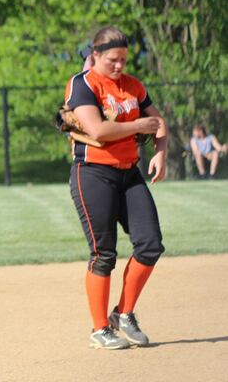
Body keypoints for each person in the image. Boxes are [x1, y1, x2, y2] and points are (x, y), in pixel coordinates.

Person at [64, 26, 168, 350]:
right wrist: (139, 126)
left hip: (129, 174)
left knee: (150, 244)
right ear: (95, 55)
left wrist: (161, 152)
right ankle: (99, 329)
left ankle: (123, 313)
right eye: (113, 59)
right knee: (103, 253)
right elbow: (97, 129)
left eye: (123, 59)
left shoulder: (133, 86)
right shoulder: (83, 84)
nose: (119, 65)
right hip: (93, 174)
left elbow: (159, 121)